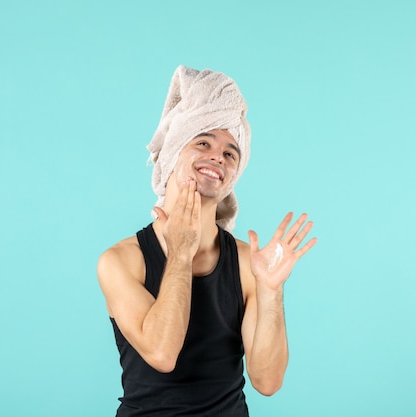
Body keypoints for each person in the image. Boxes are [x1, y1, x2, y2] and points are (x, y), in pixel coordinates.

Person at [97, 65, 317, 417]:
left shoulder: (248, 263)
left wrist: (271, 290)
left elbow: (268, 381)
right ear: (172, 155)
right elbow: (162, 354)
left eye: (231, 153)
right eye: (203, 142)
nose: (219, 156)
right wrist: (181, 253)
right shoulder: (121, 261)